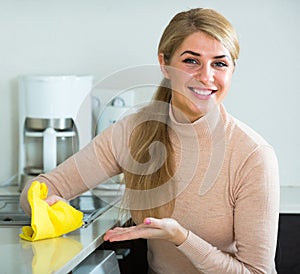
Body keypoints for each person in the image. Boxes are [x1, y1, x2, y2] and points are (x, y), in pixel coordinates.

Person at [21, 7, 280, 274]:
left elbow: (257, 272)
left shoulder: (253, 156)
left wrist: (181, 237)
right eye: (191, 61)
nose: (206, 76)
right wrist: (45, 207)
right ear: (164, 64)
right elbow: (44, 186)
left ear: (232, 70)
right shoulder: (133, 131)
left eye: (219, 63)